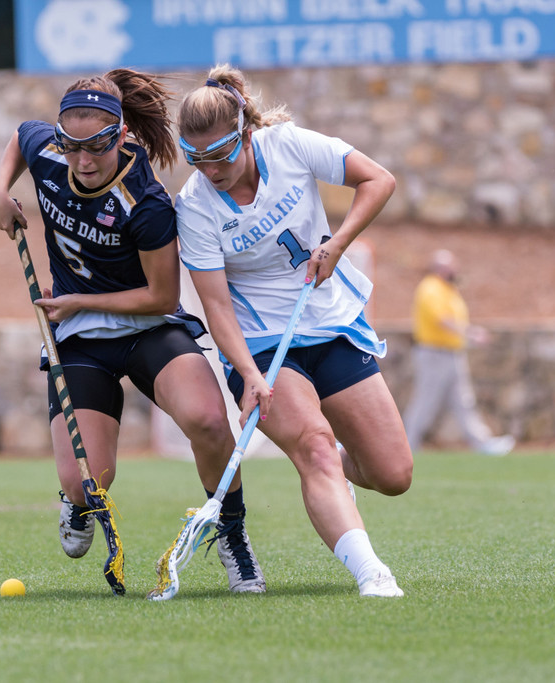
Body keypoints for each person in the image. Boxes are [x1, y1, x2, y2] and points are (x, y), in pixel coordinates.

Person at [0, 68, 266, 593]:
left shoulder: (147, 203)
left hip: (147, 325)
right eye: (72, 147)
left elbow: (161, 296)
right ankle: (77, 502)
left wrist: (77, 301)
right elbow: (21, 137)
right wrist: (0, 190)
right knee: (85, 482)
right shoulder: (49, 152)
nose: (83, 161)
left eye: (96, 146)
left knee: (209, 421)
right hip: (78, 337)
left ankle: (232, 532)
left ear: (120, 135)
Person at [174, 65, 413, 597]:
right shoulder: (194, 206)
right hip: (262, 347)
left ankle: (335, 476)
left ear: (245, 133)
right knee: (315, 447)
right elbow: (217, 308)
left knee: (393, 475)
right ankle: (372, 572)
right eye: (197, 158)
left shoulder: (289, 145)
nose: (210, 170)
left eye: (220, 155)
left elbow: (379, 180)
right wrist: (248, 375)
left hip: (331, 324)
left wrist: (338, 243)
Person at [401, 249, 515, 456]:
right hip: (435, 354)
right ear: (440, 268)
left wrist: (467, 335)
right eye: (451, 266)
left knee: (464, 401)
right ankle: (407, 445)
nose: (455, 270)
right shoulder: (430, 288)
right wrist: (471, 333)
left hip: (452, 353)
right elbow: (442, 319)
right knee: (425, 401)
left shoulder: (448, 289)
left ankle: (483, 443)